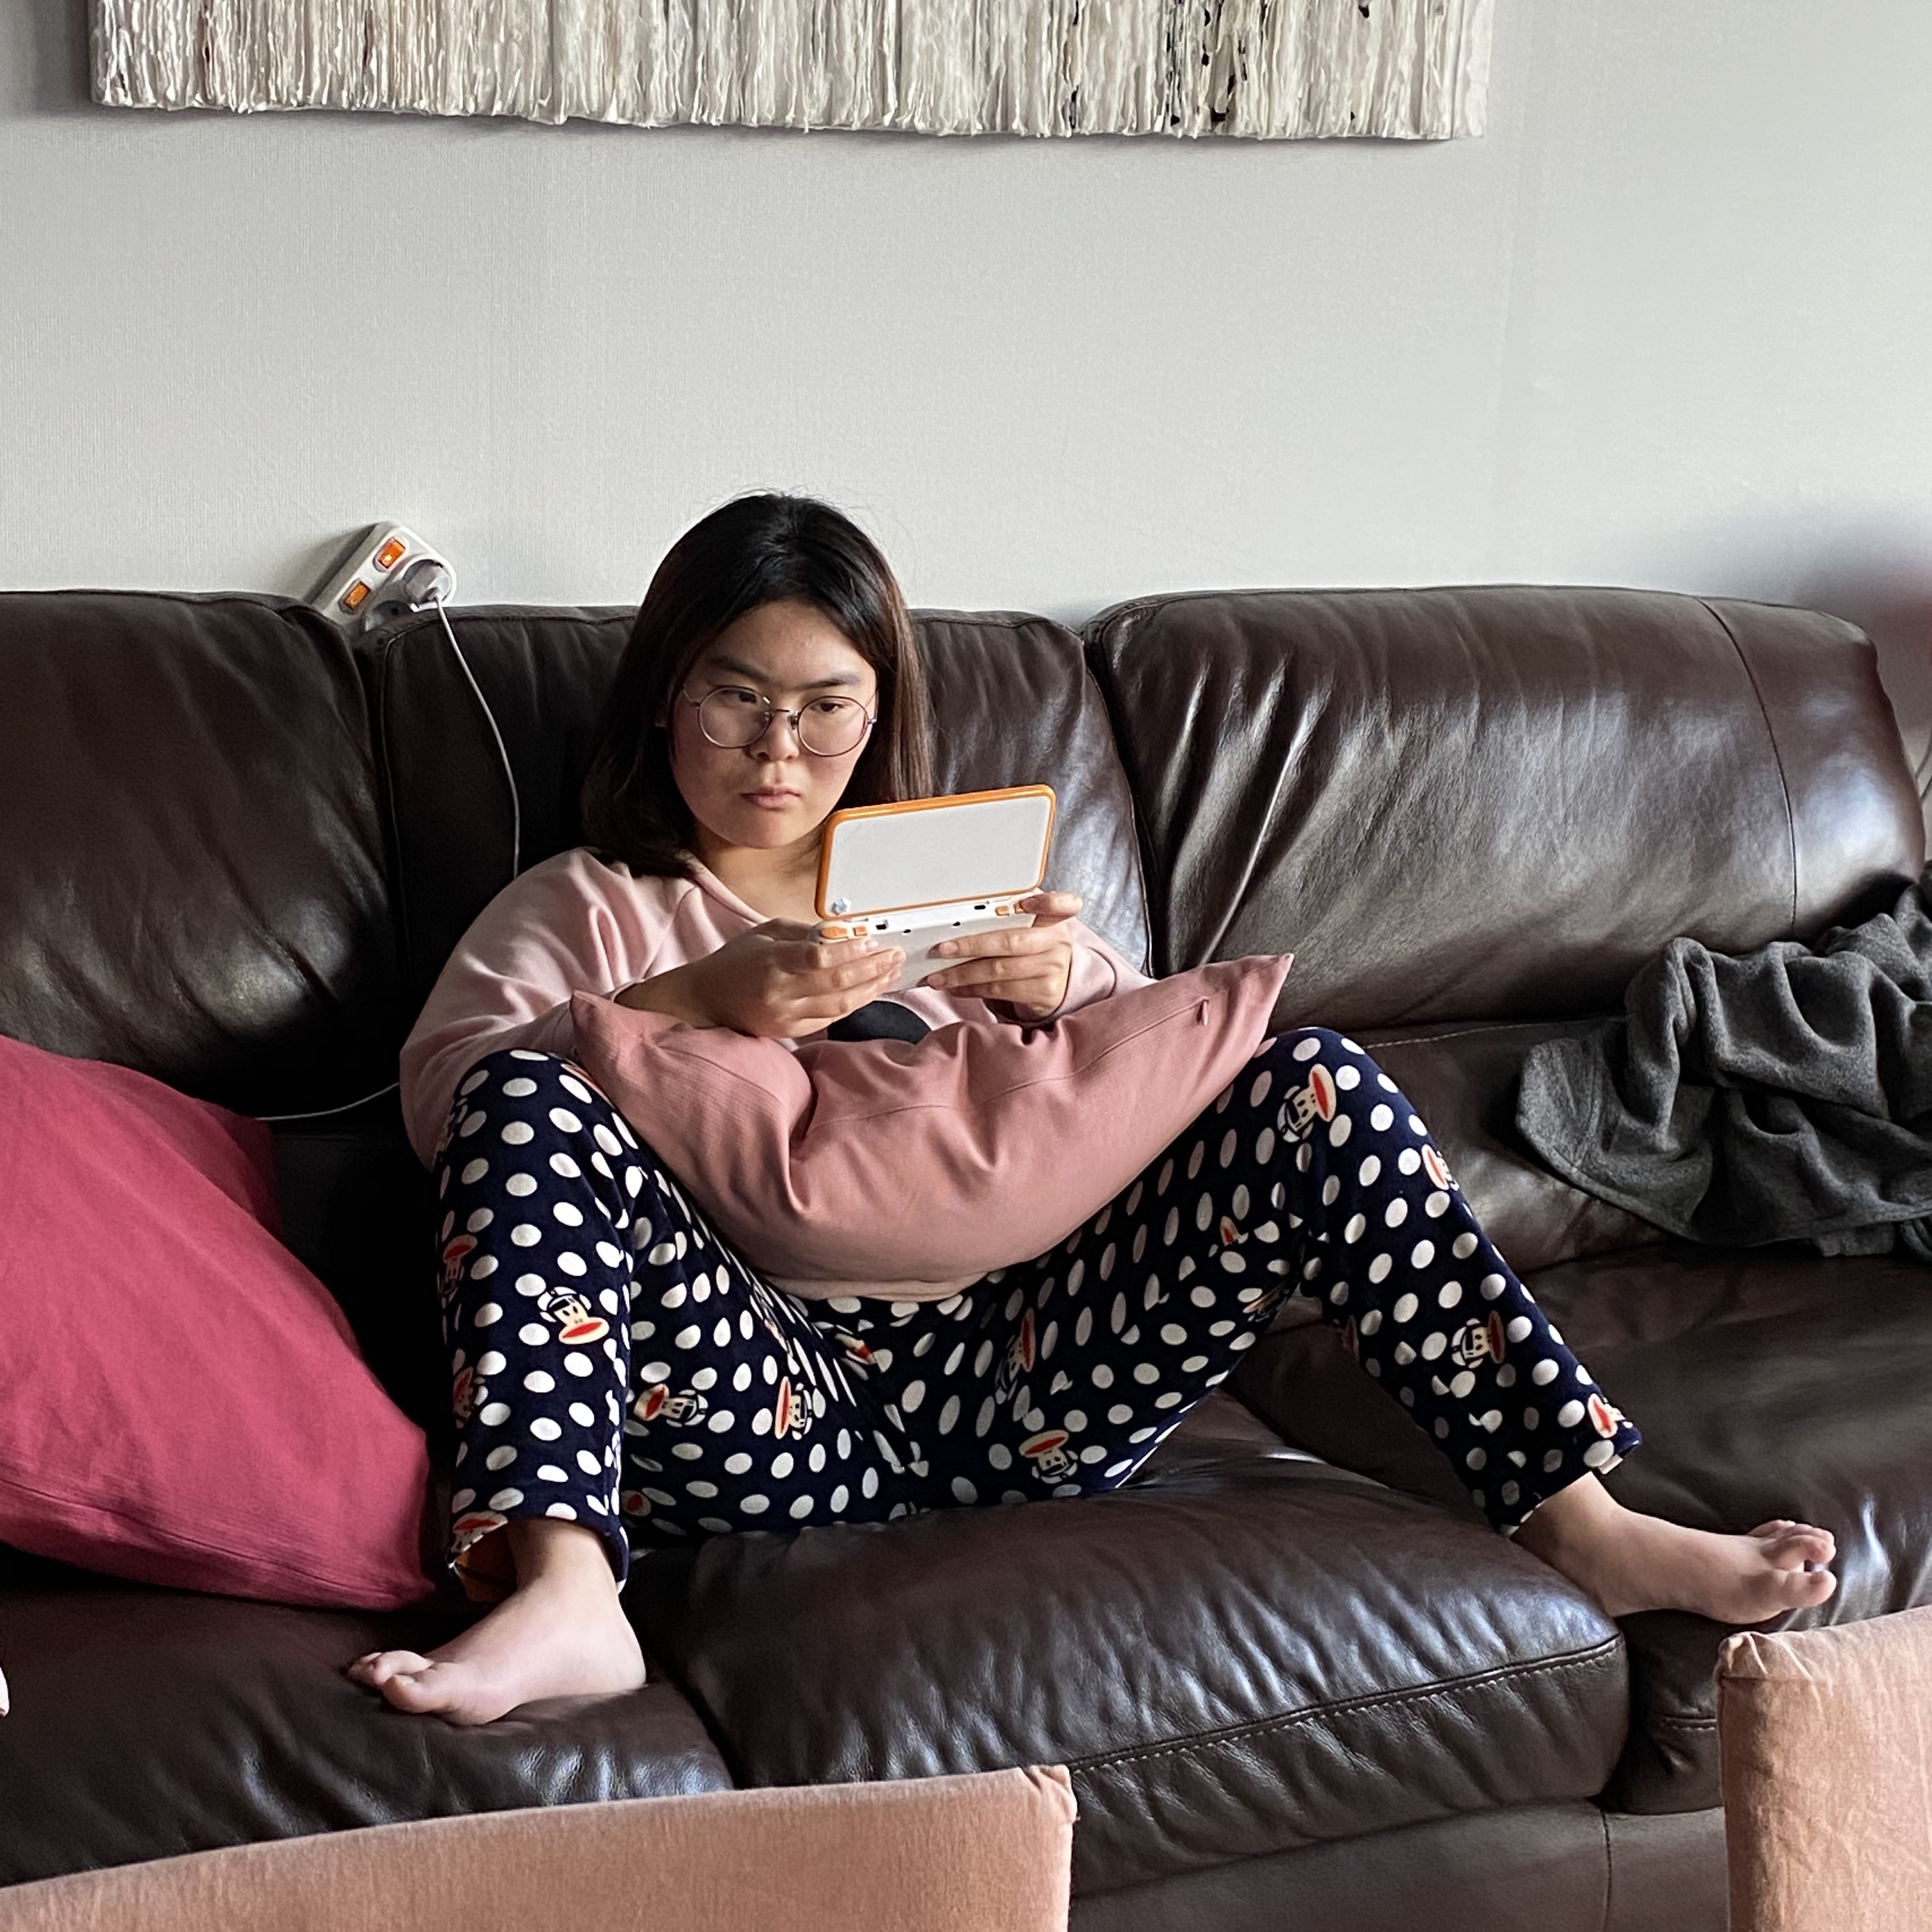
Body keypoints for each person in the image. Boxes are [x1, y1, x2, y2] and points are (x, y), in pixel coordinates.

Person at [349, 494, 1837, 1728]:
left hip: (1027, 1383)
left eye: (826, 709)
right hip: (758, 1402)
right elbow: (447, 1107)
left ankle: (1582, 1519)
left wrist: (1077, 983)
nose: (780, 753)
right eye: (737, 699)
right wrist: (689, 1000)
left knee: (1312, 1081)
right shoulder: (593, 904)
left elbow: (1167, 1089)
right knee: (524, 1094)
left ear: (880, 712)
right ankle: (567, 1589)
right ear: (667, 695)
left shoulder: (948, 884)